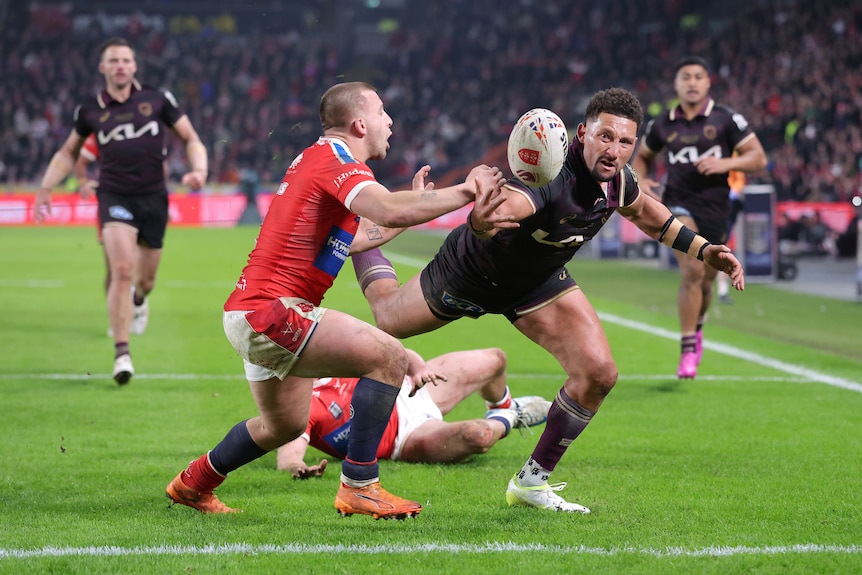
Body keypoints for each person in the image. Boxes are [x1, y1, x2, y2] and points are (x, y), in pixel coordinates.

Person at [351, 87, 745, 513]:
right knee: (386, 316)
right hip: (471, 273)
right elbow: (514, 204)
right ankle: (362, 228)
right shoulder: (551, 175)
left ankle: (531, 482)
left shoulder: (619, 182)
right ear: (582, 134)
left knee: (598, 374)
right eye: (605, 136)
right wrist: (485, 221)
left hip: (538, 284)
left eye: (626, 142)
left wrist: (705, 251)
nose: (615, 150)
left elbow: (651, 216)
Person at [164, 81, 505, 520]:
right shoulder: (337, 159)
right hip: (275, 311)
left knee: (283, 426)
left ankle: (193, 483)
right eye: (382, 111)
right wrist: (466, 190)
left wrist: (421, 202)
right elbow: (387, 209)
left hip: (252, 313)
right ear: (359, 123)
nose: (391, 121)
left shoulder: (317, 158)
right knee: (389, 356)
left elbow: (362, 236)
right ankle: (360, 485)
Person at [34, 37, 208, 385]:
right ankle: (121, 353)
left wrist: (199, 171)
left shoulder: (158, 100)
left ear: (134, 66)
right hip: (114, 196)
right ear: (103, 68)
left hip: (154, 199)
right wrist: (46, 186)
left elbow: (191, 138)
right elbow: (69, 152)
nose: (120, 66)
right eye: (113, 61)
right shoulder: (90, 110)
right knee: (122, 270)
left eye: (126, 60)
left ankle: (140, 300)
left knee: (145, 280)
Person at [631, 56, 766, 379]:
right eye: (685, 77)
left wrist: (724, 164)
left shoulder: (726, 119)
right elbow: (643, 158)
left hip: (716, 208)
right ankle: (688, 347)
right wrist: (643, 180)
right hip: (678, 204)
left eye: (698, 77)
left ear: (708, 83)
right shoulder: (662, 123)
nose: (692, 82)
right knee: (692, 269)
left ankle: (699, 327)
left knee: (706, 280)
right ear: (676, 85)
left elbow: (758, 157)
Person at [277, 347, 551, 478]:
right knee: (478, 436)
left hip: (411, 388)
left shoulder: (332, 353)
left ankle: (501, 404)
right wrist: (298, 468)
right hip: (405, 435)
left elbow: (389, 348)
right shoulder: (300, 406)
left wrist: (417, 367)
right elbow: (289, 455)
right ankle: (513, 415)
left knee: (495, 360)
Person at [716, 167, 746, 304]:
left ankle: (722, 291)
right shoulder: (732, 197)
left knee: (722, 259)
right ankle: (721, 291)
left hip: (722, 230)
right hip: (720, 230)